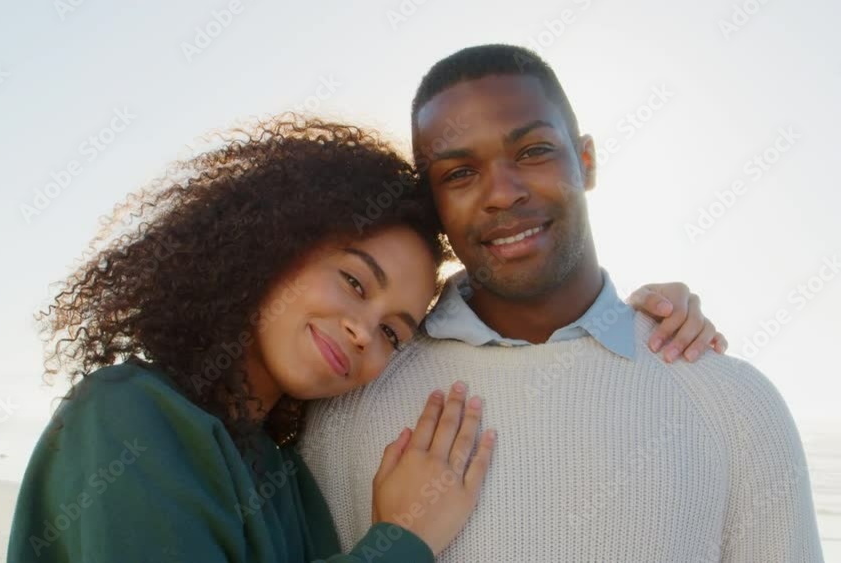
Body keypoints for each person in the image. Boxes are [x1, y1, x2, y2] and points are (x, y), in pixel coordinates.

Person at [7, 116, 726, 562]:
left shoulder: (280, 463)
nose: (362, 332)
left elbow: (502, 311)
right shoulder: (128, 415)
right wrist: (404, 537)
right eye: (354, 281)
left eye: (393, 331)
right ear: (275, 244)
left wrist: (621, 316)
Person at [300, 44, 825, 562]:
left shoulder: (734, 403)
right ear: (432, 205)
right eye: (459, 173)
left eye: (533, 152)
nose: (502, 193)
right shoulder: (343, 400)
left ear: (588, 161)